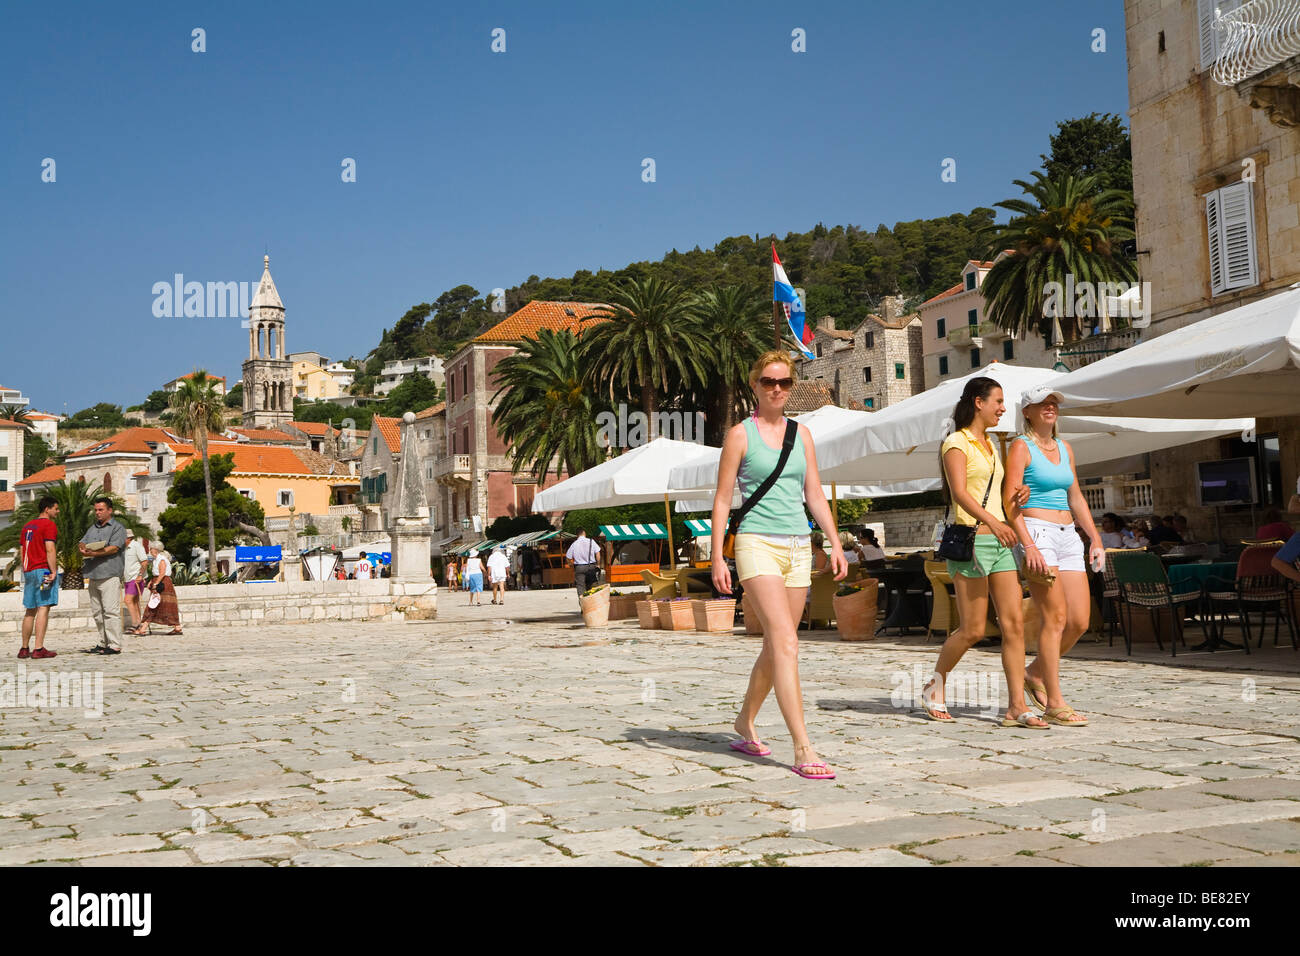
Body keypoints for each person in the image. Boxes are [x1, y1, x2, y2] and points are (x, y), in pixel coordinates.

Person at [712, 350, 848, 780]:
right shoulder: (740, 435)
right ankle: (803, 747)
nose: (776, 389)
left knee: (776, 646)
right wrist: (717, 555)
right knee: (787, 643)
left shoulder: (801, 434)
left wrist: (835, 541)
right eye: (768, 382)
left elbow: (814, 493)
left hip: (798, 547)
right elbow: (721, 499)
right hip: (755, 544)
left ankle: (743, 722)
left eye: (784, 383)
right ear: (754, 385)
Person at [921, 377, 1043, 728]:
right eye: (998, 401)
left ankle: (1017, 705)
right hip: (973, 542)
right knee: (973, 629)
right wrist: (995, 520)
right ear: (978, 402)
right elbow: (960, 494)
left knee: (1014, 624)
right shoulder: (956, 443)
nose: (1004, 408)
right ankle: (935, 686)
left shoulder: (992, 444)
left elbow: (997, 492)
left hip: (1001, 542)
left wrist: (1017, 498)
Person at [1003, 386, 1105, 727]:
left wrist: (1094, 537)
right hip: (1037, 532)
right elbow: (1009, 502)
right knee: (1055, 618)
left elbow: (1075, 496)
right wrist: (1027, 545)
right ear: (1027, 411)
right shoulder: (1020, 446)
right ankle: (1055, 703)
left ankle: (1034, 673)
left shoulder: (1065, 447)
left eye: (1054, 403)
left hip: (1067, 536)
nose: (1050, 407)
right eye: (1042, 403)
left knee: (1079, 621)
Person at [79, 496, 128, 655]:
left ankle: (114, 644)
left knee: (110, 611)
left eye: (101, 510)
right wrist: (82, 547)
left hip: (109, 574)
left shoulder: (117, 528)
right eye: (96, 510)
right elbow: (82, 541)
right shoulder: (92, 528)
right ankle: (103, 642)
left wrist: (95, 552)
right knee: (97, 612)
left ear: (109, 510)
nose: (97, 513)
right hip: (93, 574)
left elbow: (113, 548)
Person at [18, 494, 60, 660]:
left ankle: (24, 648)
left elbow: (22, 551)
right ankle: (38, 648)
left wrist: (26, 569)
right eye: (55, 509)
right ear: (47, 509)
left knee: (30, 609)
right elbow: (50, 548)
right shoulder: (49, 525)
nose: (57, 511)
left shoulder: (27, 526)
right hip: (43, 571)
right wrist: (54, 571)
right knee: (44, 606)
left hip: (29, 571)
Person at [133, 545, 182, 636]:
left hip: (163, 583)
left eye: (151, 549)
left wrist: (155, 584)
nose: (150, 551)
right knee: (160, 604)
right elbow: (157, 573)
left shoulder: (162, 559)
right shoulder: (156, 560)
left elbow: (162, 573)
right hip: (160, 582)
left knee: (156, 605)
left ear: (155, 550)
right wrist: (151, 581)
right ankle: (177, 627)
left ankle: (143, 628)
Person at [122, 532, 149, 631]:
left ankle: (135, 624)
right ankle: (139, 623)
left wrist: (140, 575)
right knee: (134, 601)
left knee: (128, 600)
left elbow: (145, 562)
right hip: (127, 579)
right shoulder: (124, 549)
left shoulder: (137, 546)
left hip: (136, 578)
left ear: (128, 538)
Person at [566, 528, 602, 600]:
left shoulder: (574, 544)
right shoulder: (591, 541)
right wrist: (598, 564)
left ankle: (584, 607)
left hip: (579, 567)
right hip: (591, 566)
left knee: (580, 587)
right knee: (593, 586)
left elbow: (568, 557)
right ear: (584, 533)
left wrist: (572, 565)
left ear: (577, 535)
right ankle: (593, 605)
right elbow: (598, 553)